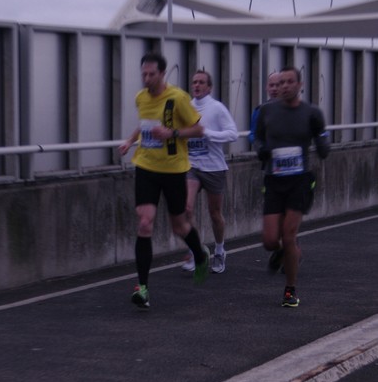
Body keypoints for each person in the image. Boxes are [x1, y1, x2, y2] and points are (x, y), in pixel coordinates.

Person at [119, 52, 209, 308]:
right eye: (143, 74)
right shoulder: (141, 97)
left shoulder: (178, 98)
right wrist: (130, 140)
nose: (146, 79)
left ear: (162, 74)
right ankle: (143, 288)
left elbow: (198, 129)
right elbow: (144, 125)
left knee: (179, 226)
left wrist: (172, 133)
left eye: (151, 74)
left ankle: (200, 254)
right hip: (146, 167)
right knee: (144, 222)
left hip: (173, 170)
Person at [252, 65, 329, 308]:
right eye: (280, 82)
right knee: (269, 240)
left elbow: (322, 140)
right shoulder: (266, 111)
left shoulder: (311, 113)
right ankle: (282, 252)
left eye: (289, 82)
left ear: (299, 85)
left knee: (289, 235)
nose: (284, 86)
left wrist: (322, 142)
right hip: (274, 181)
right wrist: (261, 150)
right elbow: (258, 137)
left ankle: (290, 290)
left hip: (299, 181)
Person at [181, 70, 238, 275]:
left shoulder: (217, 108)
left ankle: (220, 250)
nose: (197, 85)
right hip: (192, 167)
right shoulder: (186, 107)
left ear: (209, 87)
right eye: (194, 82)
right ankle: (195, 251)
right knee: (186, 209)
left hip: (214, 167)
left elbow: (233, 134)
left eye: (201, 82)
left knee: (215, 214)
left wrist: (206, 133)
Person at [248, 71, 281, 147]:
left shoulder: (293, 108)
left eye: (278, 85)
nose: (274, 89)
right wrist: (260, 145)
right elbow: (252, 134)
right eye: (271, 85)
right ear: (266, 88)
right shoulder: (260, 110)